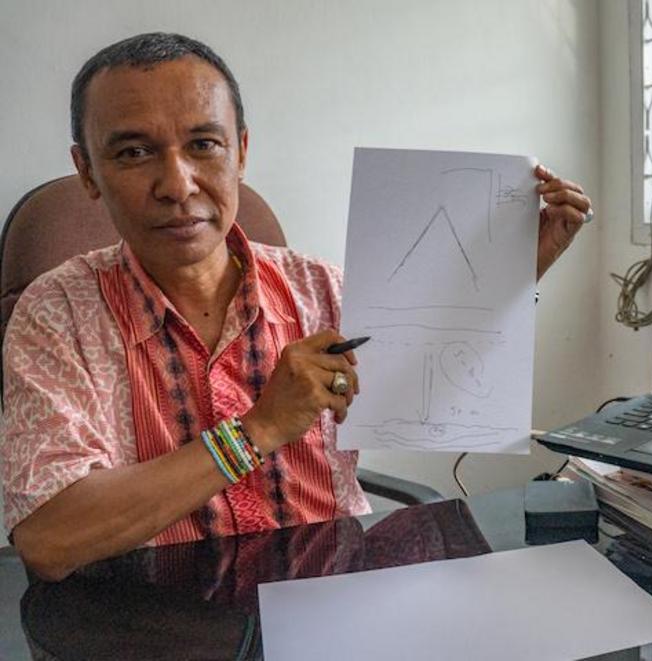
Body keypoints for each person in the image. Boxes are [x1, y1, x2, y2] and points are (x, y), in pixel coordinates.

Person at [1, 33, 593, 581]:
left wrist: (515, 271)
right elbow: (51, 539)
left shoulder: (319, 289)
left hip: (332, 596)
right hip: (160, 618)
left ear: (241, 152)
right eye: (134, 153)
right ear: (88, 172)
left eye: (204, 145)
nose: (178, 185)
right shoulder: (56, 315)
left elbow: (426, 384)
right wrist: (258, 429)